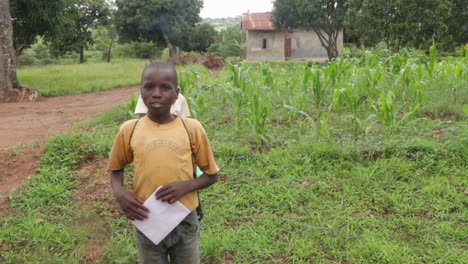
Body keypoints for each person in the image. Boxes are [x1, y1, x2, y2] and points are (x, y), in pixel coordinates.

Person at [107, 61, 219, 264]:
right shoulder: (129, 130)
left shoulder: (192, 128)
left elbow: (212, 175)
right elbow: (116, 169)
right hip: (147, 220)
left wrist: (187, 185)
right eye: (149, 87)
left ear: (177, 93)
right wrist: (120, 192)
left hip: (185, 220)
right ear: (141, 92)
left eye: (165, 87)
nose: (156, 94)